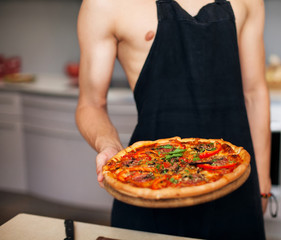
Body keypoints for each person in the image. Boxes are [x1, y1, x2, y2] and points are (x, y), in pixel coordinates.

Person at [76, 0, 271, 239]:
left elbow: (255, 93)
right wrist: (109, 145)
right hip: (148, 190)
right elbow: (90, 104)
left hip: (236, 186)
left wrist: (262, 182)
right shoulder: (105, 4)